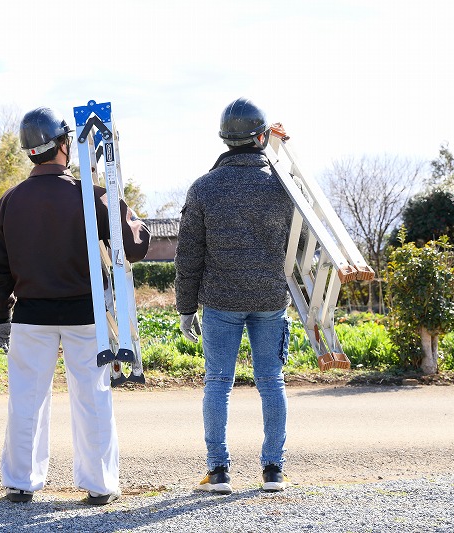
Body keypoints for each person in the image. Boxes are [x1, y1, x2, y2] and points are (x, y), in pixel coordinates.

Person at [0, 106, 150, 505]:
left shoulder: (9, 202)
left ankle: (21, 483)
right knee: (93, 397)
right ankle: (99, 485)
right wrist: (123, 206)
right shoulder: (91, 195)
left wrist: (1, 318)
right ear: (64, 146)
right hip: (84, 314)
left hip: (30, 316)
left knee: (26, 399)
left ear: (29, 152)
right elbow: (134, 247)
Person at [175, 97, 293, 494]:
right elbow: (302, 241)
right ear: (261, 137)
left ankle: (219, 472)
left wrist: (186, 308)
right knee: (271, 381)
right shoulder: (283, 186)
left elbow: (187, 256)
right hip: (271, 297)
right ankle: (273, 470)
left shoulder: (205, 187)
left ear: (224, 139)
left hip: (221, 300)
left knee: (218, 381)